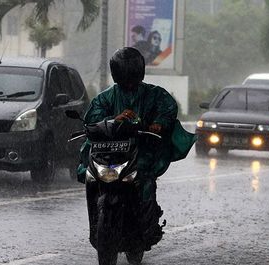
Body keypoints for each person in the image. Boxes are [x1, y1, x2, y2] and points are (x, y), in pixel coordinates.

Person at [78, 47, 196, 248]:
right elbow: (93, 118)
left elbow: (168, 108)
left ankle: (147, 225)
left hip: (140, 150)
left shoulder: (154, 94)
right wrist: (113, 120)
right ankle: (96, 224)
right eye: (124, 73)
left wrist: (159, 123)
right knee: (90, 174)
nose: (128, 79)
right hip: (108, 152)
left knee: (145, 179)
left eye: (132, 73)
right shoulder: (106, 97)